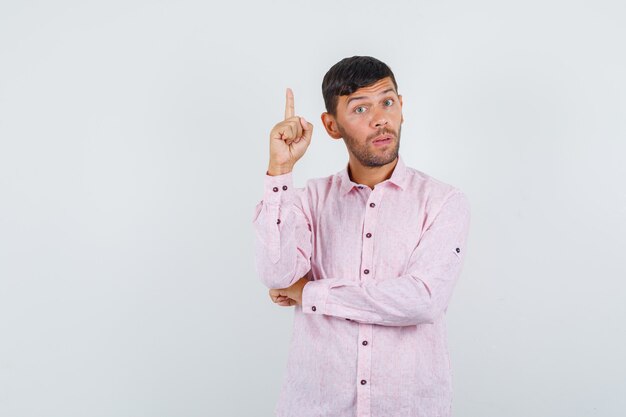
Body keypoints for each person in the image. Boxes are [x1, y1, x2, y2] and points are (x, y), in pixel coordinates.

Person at [252, 56, 471, 417]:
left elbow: (422, 300)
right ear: (332, 126)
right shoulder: (309, 200)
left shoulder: (444, 202)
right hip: (316, 407)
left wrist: (310, 293)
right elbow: (276, 275)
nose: (380, 118)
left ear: (402, 107)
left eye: (387, 102)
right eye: (360, 109)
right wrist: (281, 170)